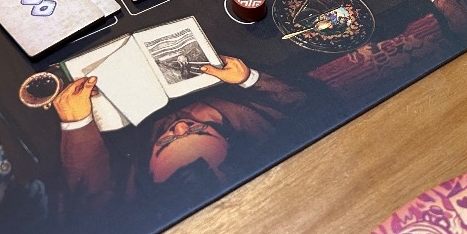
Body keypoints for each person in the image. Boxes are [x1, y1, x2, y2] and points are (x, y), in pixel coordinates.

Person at [52, 56, 308, 213]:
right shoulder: (259, 128)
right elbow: (302, 104)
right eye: (199, 130)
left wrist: (76, 122)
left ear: (145, 168)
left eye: (166, 142)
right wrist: (247, 78)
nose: (181, 126)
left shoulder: (131, 193)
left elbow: (92, 195)